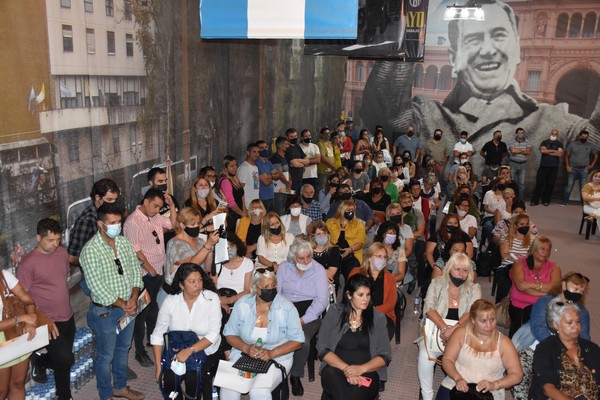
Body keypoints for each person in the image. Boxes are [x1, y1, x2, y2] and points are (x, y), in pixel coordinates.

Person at [80, 202, 145, 400]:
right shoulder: (90, 251)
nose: (117, 225)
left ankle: (120, 387)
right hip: (106, 312)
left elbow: (136, 272)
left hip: (128, 306)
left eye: (119, 222)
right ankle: (105, 394)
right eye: (112, 222)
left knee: (123, 349)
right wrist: (123, 303)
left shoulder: (124, 243)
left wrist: (134, 297)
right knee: (104, 356)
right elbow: (96, 287)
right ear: (101, 224)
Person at [220, 268, 305, 400]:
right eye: (266, 287)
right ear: (255, 287)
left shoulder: (286, 308)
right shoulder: (242, 304)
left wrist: (272, 353)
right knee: (228, 389)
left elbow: (298, 341)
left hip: (278, 357)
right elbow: (230, 334)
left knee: (258, 391)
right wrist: (246, 348)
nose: (270, 290)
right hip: (243, 354)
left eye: (273, 286)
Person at [17, 218, 74, 400]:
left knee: (62, 361)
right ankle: (43, 363)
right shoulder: (28, 264)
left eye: (57, 239)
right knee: (65, 358)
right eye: (50, 240)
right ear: (37, 238)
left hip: (67, 315)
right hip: (46, 320)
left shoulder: (62, 253)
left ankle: (60, 390)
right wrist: (42, 319)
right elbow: (21, 300)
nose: (54, 244)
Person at [123, 187, 178, 368]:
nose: (156, 210)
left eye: (159, 207)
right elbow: (136, 251)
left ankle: (152, 341)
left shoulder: (154, 216)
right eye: (155, 206)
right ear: (145, 202)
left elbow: (173, 225)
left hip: (158, 271)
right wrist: (151, 271)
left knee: (154, 309)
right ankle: (139, 351)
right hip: (144, 275)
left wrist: (171, 207)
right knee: (141, 313)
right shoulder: (133, 222)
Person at [151, 263, 222, 400]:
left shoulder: (211, 298)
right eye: (192, 282)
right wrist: (158, 366)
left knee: (193, 378)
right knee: (170, 379)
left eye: (200, 280)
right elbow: (158, 335)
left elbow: (213, 334)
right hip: (177, 346)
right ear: (181, 285)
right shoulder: (171, 301)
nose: (198, 285)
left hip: (207, 349)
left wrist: (189, 351)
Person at [316, 274, 392, 400]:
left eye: (368, 294)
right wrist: (347, 369)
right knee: (341, 388)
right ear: (349, 295)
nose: (365, 299)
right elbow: (322, 347)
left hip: (367, 370)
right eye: (360, 295)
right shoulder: (335, 312)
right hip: (335, 367)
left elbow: (385, 355)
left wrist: (361, 369)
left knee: (350, 394)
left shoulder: (378, 318)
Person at [417, 253, 481, 400]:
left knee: (465, 361)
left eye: (465, 270)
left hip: (461, 333)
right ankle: (426, 395)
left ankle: (453, 390)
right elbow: (428, 308)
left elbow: (473, 311)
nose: (461, 273)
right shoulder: (437, 284)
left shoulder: (474, 288)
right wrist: (444, 328)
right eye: (457, 269)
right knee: (424, 356)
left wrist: (455, 329)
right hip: (436, 330)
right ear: (449, 269)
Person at [438, 299, 523, 400]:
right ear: (473, 320)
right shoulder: (460, 333)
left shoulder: (504, 343)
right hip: (457, 383)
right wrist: (458, 378)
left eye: (492, 320)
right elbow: (447, 359)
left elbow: (517, 374)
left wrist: (495, 384)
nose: (489, 325)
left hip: (489, 392)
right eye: (483, 321)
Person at [277, 238, 329, 396]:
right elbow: (277, 293)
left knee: (302, 340)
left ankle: (295, 375)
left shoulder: (318, 270)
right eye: (301, 258)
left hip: (309, 312)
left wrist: (302, 320)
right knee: (273, 334)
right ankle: (276, 370)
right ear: (293, 258)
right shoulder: (284, 268)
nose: (306, 261)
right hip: (285, 309)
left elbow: (322, 300)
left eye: (309, 257)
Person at [529, 298, 600, 400]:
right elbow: (547, 387)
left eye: (578, 321)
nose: (575, 326)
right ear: (556, 325)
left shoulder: (592, 348)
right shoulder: (545, 349)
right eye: (569, 322)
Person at [67, 178, 120, 295]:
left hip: (114, 273)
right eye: (109, 199)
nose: (113, 203)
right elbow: (72, 257)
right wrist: (94, 263)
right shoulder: (87, 220)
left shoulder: (111, 215)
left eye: (115, 200)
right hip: (95, 277)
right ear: (97, 198)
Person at [508, 236, 561, 338]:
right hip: (520, 306)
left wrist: (531, 285)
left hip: (544, 306)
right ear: (534, 249)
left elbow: (556, 288)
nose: (545, 252)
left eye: (548, 250)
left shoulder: (554, 267)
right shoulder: (519, 264)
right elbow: (520, 286)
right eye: (542, 249)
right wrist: (546, 290)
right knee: (519, 335)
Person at [0, 269, 38, 399]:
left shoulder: (3, 275)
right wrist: (20, 319)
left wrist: (30, 322)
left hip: (16, 333)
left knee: (17, 384)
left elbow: (27, 299)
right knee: (1, 391)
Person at [349, 243, 398, 342]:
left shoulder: (390, 278)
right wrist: (361, 314)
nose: (382, 260)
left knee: (380, 339)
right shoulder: (356, 273)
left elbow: (390, 304)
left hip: (382, 315)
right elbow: (349, 297)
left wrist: (371, 313)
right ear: (370, 258)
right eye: (379, 256)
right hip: (358, 314)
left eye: (384, 257)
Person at [165, 207, 219, 291]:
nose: (197, 227)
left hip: (198, 287)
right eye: (193, 224)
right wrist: (207, 245)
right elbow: (190, 266)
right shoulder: (175, 243)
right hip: (181, 290)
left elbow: (207, 268)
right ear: (182, 225)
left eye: (198, 223)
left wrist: (210, 248)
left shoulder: (200, 241)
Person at [326, 200, 367, 279]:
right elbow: (326, 239)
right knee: (333, 273)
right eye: (348, 210)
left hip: (352, 254)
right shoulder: (330, 222)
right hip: (334, 253)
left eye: (352, 210)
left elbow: (360, 242)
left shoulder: (358, 224)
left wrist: (349, 250)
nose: (351, 212)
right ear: (341, 210)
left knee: (351, 273)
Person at [213, 234, 254, 313]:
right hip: (219, 300)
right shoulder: (217, 263)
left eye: (231, 247)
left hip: (240, 301)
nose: (229, 250)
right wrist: (220, 302)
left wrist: (230, 300)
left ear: (237, 246)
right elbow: (212, 286)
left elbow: (247, 290)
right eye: (225, 248)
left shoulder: (247, 263)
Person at [426, 214, 473, 280]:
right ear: (444, 224)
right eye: (450, 223)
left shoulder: (464, 236)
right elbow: (428, 252)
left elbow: (469, 254)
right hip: (438, 264)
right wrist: (436, 268)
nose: (452, 225)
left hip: (459, 265)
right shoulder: (436, 235)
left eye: (455, 223)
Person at [561, 130, 598, 206]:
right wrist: (568, 166)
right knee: (569, 186)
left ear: (587, 137)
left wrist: (592, 165)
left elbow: (596, 154)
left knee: (583, 187)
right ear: (580, 136)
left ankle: (583, 204)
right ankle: (564, 202)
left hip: (584, 169)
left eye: (586, 137)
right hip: (573, 168)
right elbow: (567, 156)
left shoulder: (590, 145)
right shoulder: (572, 145)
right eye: (583, 137)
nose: (584, 138)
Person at [530, 129, 564, 207]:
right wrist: (554, 151)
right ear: (550, 134)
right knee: (539, 184)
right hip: (543, 167)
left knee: (550, 185)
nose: (553, 135)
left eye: (555, 134)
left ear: (557, 135)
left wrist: (548, 151)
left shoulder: (559, 143)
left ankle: (546, 201)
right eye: (552, 133)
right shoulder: (544, 142)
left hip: (553, 168)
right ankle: (534, 201)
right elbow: (542, 151)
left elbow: (559, 154)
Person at [308, 221, 342, 290]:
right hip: (310, 285)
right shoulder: (308, 251)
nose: (322, 236)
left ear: (328, 235)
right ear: (313, 237)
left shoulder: (334, 250)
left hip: (329, 287)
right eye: (319, 234)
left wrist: (311, 270)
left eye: (324, 233)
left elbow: (330, 273)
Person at [216, 155, 246, 232]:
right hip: (232, 215)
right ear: (225, 168)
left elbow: (242, 197)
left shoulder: (235, 178)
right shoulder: (225, 181)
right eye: (231, 166)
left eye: (236, 165)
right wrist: (242, 214)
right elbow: (230, 202)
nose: (235, 168)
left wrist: (244, 212)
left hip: (239, 214)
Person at [270, 136, 293, 215]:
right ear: (279, 146)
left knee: (283, 210)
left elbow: (287, 171)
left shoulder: (284, 157)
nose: (288, 146)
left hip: (284, 189)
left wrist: (290, 180)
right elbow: (279, 174)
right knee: (278, 212)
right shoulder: (275, 158)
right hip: (277, 190)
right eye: (286, 144)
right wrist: (287, 183)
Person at [507, 127, 532, 198]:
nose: (520, 134)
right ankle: (511, 197)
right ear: (516, 134)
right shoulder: (512, 141)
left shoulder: (528, 141)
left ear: (524, 134)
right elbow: (513, 151)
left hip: (523, 164)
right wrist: (524, 150)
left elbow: (529, 151)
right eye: (519, 133)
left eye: (522, 133)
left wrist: (517, 150)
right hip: (513, 163)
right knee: (511, 181)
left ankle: (520, 198)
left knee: (521, 183)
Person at [285, 128, 310, 194]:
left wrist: (297, 160)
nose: (294, 138)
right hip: (292, 180)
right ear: (287, 137)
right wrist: (302, 162)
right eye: (291, 137)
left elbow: (307, 161)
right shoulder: (287, 148)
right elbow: (295, 164)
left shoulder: (297, 146)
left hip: (300, 178)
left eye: (295, 136)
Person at [256, 140, 278, 212]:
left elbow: (277, 174)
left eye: (266, 147)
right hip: (263, 197)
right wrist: (272, 177)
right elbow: (265, 182)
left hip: (271, 195)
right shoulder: (257, 163)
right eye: (262, 148)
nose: (265, 149)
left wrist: (268, 176)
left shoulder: (268, 162)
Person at [237, 143, 261, 209]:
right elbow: (239, 190)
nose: (256, 154)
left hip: (255, 204)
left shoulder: (256, 167)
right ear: (248, 152)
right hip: (247, 206)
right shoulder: (244, 167)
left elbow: (255, 187)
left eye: (258, 152)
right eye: (254, 152)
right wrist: (243, 207)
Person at [317, 127, 337, 193]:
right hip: (323, 171)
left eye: (329, 133)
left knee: (328, 189)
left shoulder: (329, 143)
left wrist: (334, 166)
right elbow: (322, 157)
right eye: (326, 133)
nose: (328, 135)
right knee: (321, 189)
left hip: (330, 170)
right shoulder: (320, 143)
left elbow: (332, 156)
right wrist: (332, 165)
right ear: (321, 135)